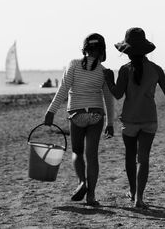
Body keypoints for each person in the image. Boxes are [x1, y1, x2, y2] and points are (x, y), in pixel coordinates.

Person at [103, 27, 165, 209]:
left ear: (127, 51)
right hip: (149, 120)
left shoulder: (125, 70)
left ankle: (133, 191)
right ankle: (139, 198)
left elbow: (117, 94)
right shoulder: (156, 69)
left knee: (130, 157)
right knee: (144, 159)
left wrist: (109, 79)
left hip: (130, 121)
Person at [44, 33, 114, 206]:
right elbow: (108, 98)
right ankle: (91, 196)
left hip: (77, 114)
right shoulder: (104, 71)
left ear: (85, 49)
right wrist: (110, 122)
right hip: (96, 115)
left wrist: (51, 111)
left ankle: (82, 181)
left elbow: (63, 88)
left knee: (77, 152)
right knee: (92, 156)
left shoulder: (74, 64)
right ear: (102, 51)